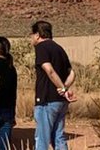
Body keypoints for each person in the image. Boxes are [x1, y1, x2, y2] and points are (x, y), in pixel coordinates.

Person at [31, 20, 75, 150]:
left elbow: (49, 70)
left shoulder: (41, 47)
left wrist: (62, 88)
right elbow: (72, 73)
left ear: (37, 35)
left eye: (32, 35)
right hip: (60, 101)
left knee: (42, 138)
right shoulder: (59, 48)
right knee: (58, 136)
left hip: (47, 100)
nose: (31, 38)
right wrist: (64, 88)